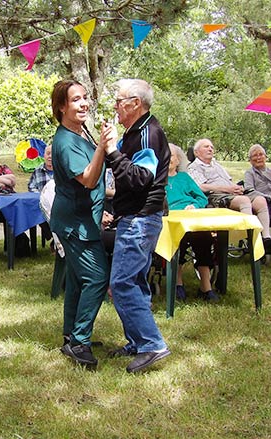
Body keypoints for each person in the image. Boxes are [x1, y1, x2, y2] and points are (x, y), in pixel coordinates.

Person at [102, 78, 171, 373]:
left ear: (135, 104)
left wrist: (112, 152)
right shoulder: (134, 131)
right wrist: (109, 146)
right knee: (136, 281)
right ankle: (137, 341)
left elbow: (141, 178)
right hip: (135, 216)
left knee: (122, 282)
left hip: (141, 218)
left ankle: (152, 344)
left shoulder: (147, 134)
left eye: (119, 101)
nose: (116, 106)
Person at [49, 79, 113, 369]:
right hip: (75, 222)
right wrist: (102, 146)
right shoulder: (64, 141)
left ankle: (70, 336)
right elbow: (87, 179)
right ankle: (79, 342)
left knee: (77, 280)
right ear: (62, 106)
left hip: (85, 219)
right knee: (98, 278)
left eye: (85, 97)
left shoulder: (80, 133)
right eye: (76, 99)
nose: (84, 103)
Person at [188, 139, 271, 254]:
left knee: (260, 200)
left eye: (211, 147)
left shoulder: (217, 165)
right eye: (206, 147)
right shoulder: (194, 167)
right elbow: (200, 187)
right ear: (196, 152)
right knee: (244, 200)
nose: (210, 149)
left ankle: (266, 239)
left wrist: (236, 188)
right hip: (215, 196)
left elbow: (228, 181)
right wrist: (227, 189)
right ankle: (253, 239)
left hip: (231, 193)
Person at [166, 144, 218, 302]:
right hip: (171, 221)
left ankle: (205, 286)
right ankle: (178, 283)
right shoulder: (156, 179)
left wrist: (194, 206)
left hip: (191, 218)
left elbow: (201, 197)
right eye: (165, 154)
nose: (168, 158)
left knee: (204, 238)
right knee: (178, 241)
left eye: (172, 155)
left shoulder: (184, 178)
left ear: (178, 160)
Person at [28, 144, 54, 242]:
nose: (50, 156)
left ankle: (55, 239)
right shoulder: (37, 170)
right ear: (44, 156)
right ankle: (51, 238)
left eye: (53, 154)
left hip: (58, 202)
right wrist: (41, 196)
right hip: (42, 203)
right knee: (37, 211)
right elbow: (31, 186)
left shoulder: (62, 170)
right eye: (48, 154)